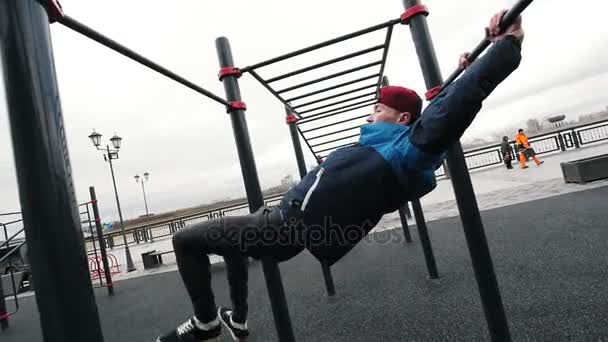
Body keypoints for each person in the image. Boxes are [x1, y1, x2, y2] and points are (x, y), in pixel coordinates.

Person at [157, 10, 525, 342]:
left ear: (401, 119)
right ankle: (236, 319)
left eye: (376, 110)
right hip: (277, 221)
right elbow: (444, 104)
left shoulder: (405, 151)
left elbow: (454, 108)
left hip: (282, 229)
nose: (368, 117)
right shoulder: (395, 148)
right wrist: (480, 57)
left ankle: (205, 323)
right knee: (225, 242)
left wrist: (507, 44)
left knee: (185, 240)